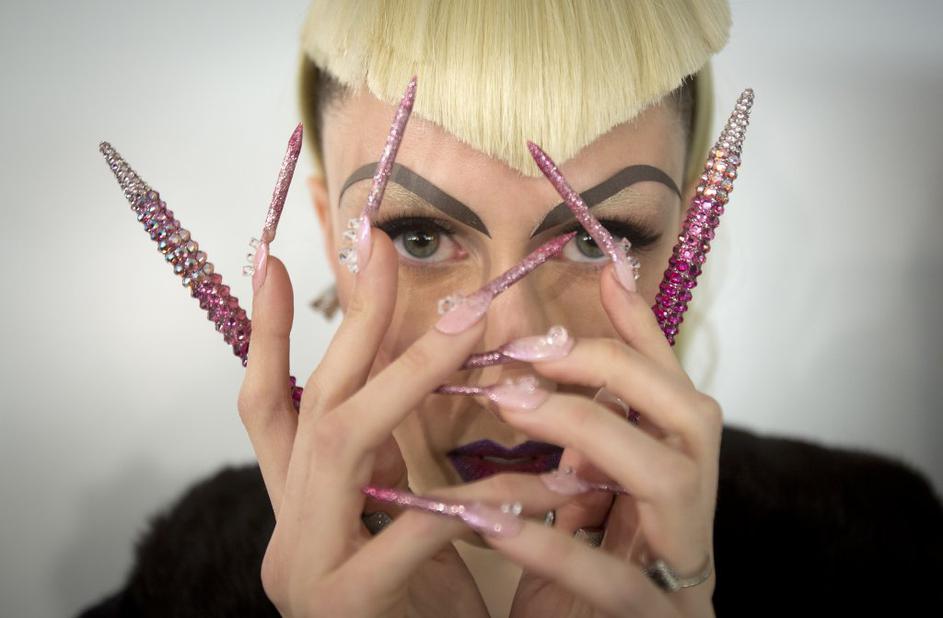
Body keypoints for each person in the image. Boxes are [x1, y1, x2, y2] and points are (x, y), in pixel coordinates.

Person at [77, 1, 943, 616]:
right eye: (420, 238)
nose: (512, 347)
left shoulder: (878, 552)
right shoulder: (178, 587)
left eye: (597, 239)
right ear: (327, 232)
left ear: (684, 238)